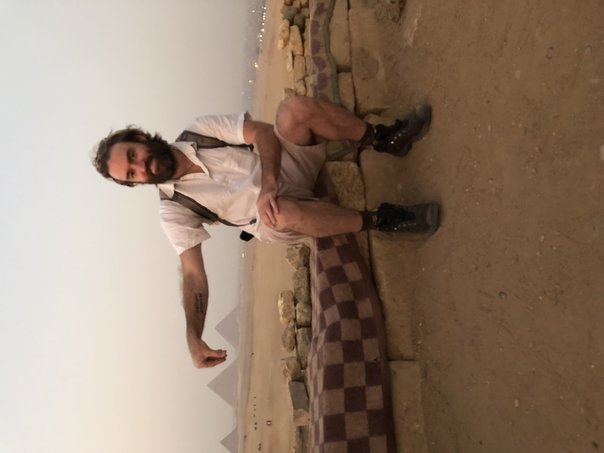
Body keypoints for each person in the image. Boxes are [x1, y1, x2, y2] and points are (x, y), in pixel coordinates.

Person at [93, 95, 439, 369]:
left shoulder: (199, 131)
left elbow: (263, 133)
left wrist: (269, 181)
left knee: (294, 109)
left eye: (133, 155)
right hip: (271, 218)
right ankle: (384, 220)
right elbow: (194, 275)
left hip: (283, 168)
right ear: (135, 183)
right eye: (132, 174)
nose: (141, 167)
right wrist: (193, 336)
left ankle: (384, 138)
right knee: (279, 212)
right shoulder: (173, 210)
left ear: (140, 138)